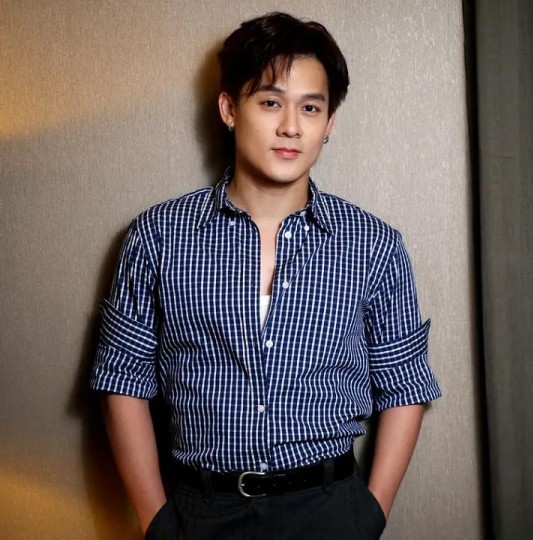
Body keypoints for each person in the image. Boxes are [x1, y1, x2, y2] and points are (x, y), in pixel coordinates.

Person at [91, 11, 441, 539]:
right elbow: (121, 381)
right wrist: (157, 523)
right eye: (271, 102)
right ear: (230, 109)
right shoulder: (157, 237)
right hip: (201, 513)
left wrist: (370, 515)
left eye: (310, 107)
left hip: (329, 511)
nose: (291, 127)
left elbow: (405, 383)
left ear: (330, 123)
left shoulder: (374, 245)